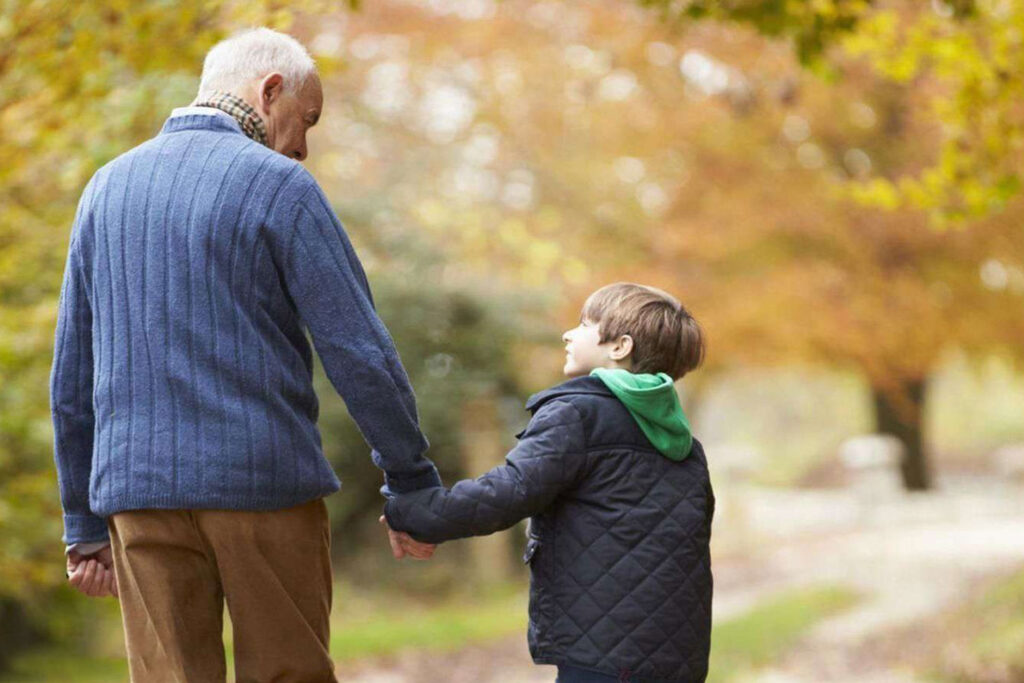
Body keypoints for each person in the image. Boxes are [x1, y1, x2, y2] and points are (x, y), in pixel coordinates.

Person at [50, 27, 436, 682]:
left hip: (137, 498)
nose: (303, 146)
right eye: (306, 121)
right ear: (271, 89)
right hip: (264, 489)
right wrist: (411, 478)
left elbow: (72, 378)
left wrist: (83, 525)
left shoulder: (103, 190)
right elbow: (358, 349)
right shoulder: (282, 187)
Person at [383, 283, 715, 683]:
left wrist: (413, 510)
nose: (568, 334)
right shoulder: (684, 444)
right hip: (676, 655)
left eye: (584, 324)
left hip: (603, 655)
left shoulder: (577, 414)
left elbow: (509, 492)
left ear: (619, 346)